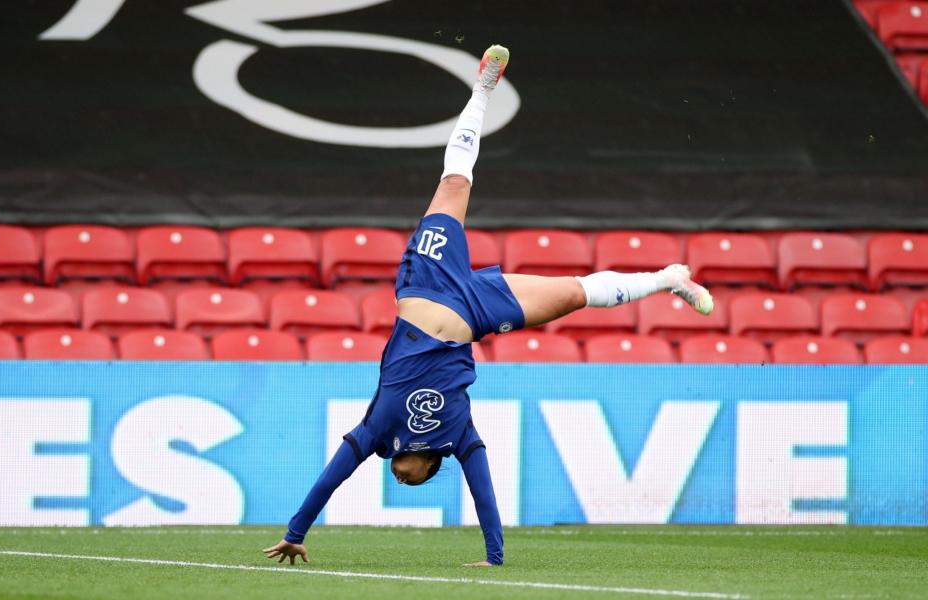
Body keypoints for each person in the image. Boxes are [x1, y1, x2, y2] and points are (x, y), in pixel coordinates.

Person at [263, 44, 713, 568]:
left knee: (454, 182)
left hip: (426, 287)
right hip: (472, 314)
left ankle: (482, 89)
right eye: (412, 479)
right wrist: (494, 557)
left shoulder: (379, 434)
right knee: (572, 293)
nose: (400, 478)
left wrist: (297, 531)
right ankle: (668, 278)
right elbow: (483, 492)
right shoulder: (457, 434)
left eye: (399, 478)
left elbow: (333, 474)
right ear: (430, 467)